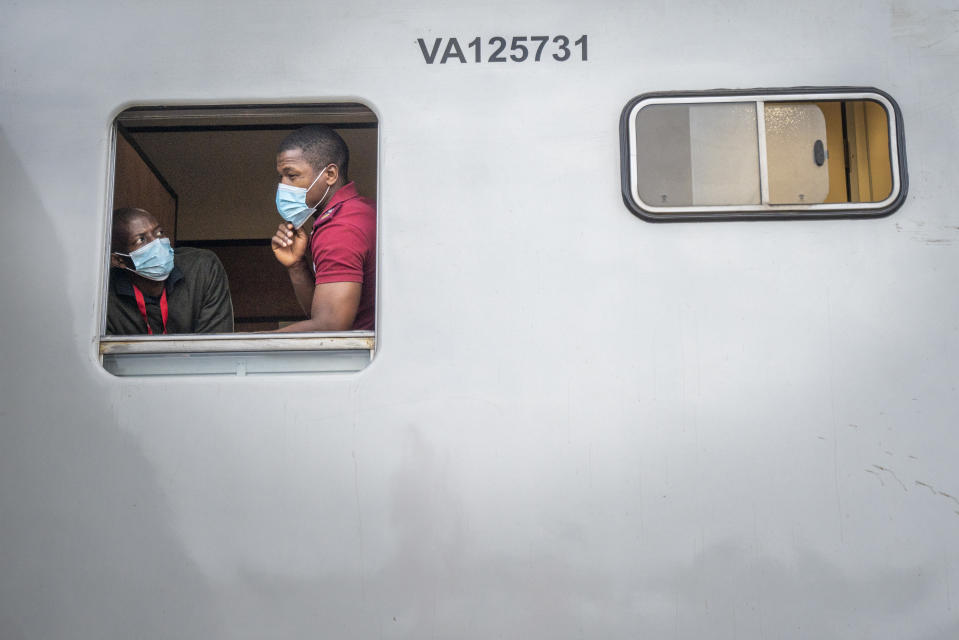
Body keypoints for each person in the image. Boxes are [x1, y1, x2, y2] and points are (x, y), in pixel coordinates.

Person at [270, 125, 376, 331]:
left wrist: (247, 343)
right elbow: (322, 313)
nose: (283, 186)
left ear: (330, 174)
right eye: (281, 177)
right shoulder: (359, 211)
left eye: (292, 176)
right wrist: (296, 265)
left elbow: (330, 326)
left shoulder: (340, 228)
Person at [106, 207, 234, 334]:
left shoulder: (202, 268)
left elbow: (214, 346)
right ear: (119, 260)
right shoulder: (104, 298)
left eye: (159, 233)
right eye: (141, 240)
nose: (157, 243)